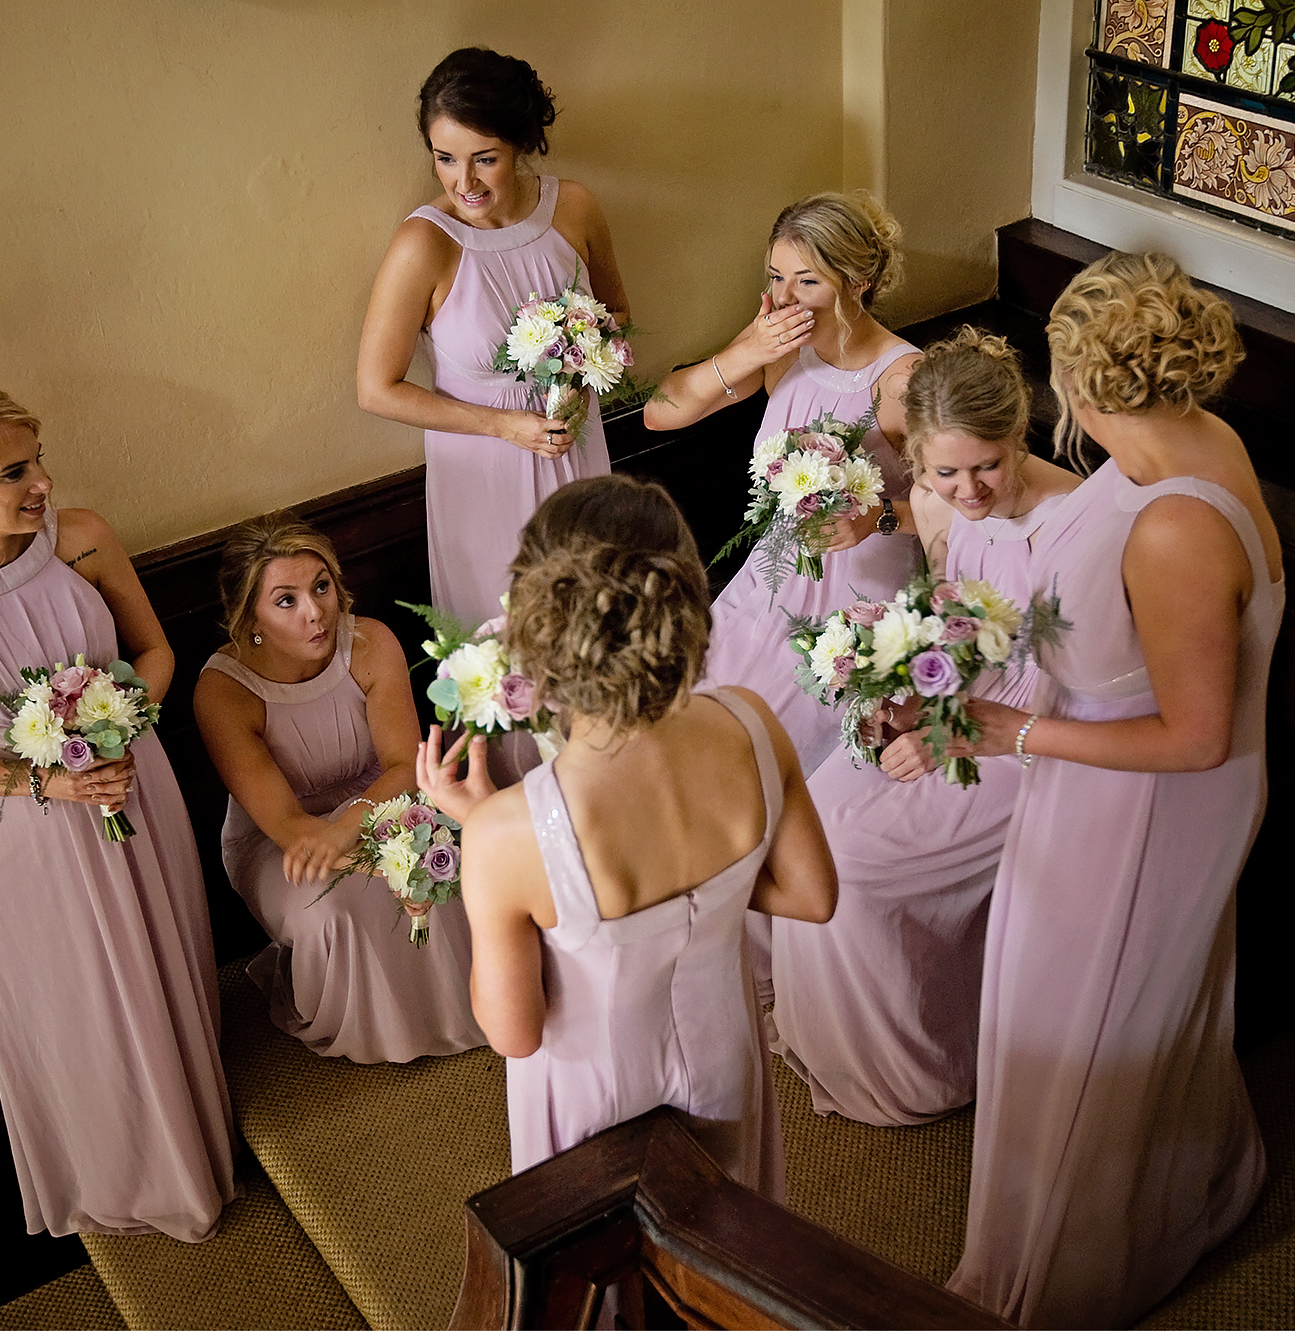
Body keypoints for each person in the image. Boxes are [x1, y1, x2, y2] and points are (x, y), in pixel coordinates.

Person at [946, 253, 1282, 1328]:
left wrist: (1017, 730)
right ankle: (1179, 1181)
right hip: (1097, 778)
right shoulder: (1180, 438)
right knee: (1111, 1007)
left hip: (1143, 807)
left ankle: (1065, 1270)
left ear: (1075, 384)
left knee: (1088, 1016)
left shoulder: (1176, 518)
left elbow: (1193, 736)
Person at [0, 383, 234, 1241]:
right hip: (22, 836)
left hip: (133, 787)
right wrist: (48, 783)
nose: (43, 484)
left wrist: (119, 723)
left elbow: (154, 651)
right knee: (78, 1000)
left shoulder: (85, 537)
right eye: (16, 471)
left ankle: (200, 1127)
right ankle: (129, 1172)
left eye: (39, 459)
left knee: (165, 952)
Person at [418, 474, 837, 1197]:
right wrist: (709, 885)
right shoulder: (750, 721)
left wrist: (493, 834)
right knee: (729, 1237)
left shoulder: (505, 831)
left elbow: (513, 1031)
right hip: (724, 1060)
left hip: (592, 1101)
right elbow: (811, 893)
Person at [770, 330, 1080, 1127]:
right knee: (810, 820)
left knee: (861, 868)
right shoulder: (939, 502)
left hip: (1038, 733)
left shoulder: (1076, 523)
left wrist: (954, 735)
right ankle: (838, 1045)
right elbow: (949, 618)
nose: (967, 489)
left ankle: (925, 1066)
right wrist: (898, 691)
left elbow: (1088, 682)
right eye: (943, 472)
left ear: (1019, 436)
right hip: (957, 693)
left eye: (987, 465)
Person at [193, 513, 486, 1062]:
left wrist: (363, 831)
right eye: (286, 600)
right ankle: (383, 1029)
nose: (315, 613)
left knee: (443, 867)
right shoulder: (222, 691)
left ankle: (464, 1003)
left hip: (385, 801)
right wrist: (360, 858)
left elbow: (403, 764)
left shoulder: (371, 643)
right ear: (249, 615)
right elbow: (288, 825)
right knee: (334, 908)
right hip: (277, 836)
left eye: (321, 587)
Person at [645, 191, 920, 774]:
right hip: (770, 586)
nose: (786, 299)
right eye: (776, 277)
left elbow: (962, 508)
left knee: (766, 758)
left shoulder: (902, 380)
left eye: (807, 282)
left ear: (858, 280)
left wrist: (877, 516)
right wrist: (747, 349)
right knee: (692, 726)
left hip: (857, 602)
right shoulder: (779, 352)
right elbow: (660, 414)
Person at [358, 46, 630, 629]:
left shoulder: (574, 208)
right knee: (509, 647)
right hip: (482, 471)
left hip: (575, 447)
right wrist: (506, 425)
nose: (465, 181)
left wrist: (582, 383)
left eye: (485, 159)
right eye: (445, 159)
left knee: (593, 625)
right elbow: (375, 389)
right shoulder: (423, 245)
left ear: (521, 145)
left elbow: (617, 321)